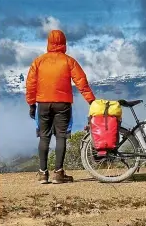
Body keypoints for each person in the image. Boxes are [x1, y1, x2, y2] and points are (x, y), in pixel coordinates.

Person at [26, 30, 96, 184]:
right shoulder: (69, 61)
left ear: (48, 43)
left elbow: (31, 84)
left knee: (44, 136)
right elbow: (81, 82)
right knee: (61, 136)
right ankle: (59, 174)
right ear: (64, 43)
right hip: (62, 104)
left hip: (43, 103)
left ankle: (43, 174)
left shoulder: (38, 61)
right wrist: (91, 100)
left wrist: (31, 104)